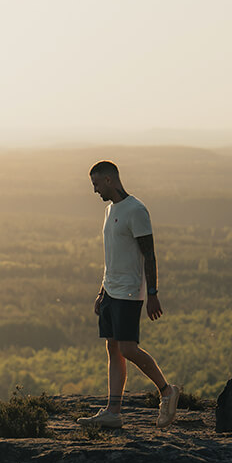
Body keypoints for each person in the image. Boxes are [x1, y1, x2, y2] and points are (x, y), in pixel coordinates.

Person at [77, 160, 179, 429]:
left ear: (110, 180)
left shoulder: (136, 210)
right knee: (113, 349)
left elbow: (149, 254)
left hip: (129, 292)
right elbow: (112, 256)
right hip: (111, 291)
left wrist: (153, 293)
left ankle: (167, 391)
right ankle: (113, 411)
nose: (95, 190)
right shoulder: (110, 211)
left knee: (127, 348)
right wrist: (102, 291)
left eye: (97, 184)